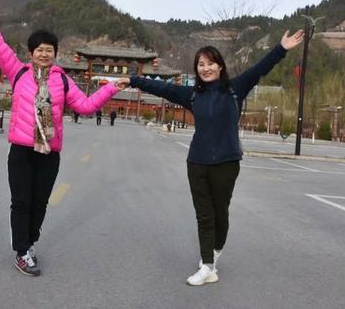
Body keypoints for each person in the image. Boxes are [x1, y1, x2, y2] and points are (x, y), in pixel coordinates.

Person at [116, 29, 304, 286]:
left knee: (220, 213)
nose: (205, 68)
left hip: (227, 163)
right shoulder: (193, 94)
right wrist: (134, 81)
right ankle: (207, 265)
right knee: (204, 215)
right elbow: (162, 88)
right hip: (197, 162)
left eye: (210, 63)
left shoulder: (235, 88)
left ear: (220, 66)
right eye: (200, 65)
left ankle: (214, 252)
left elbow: (260, 68)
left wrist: (281, 48)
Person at [0, 0, 120, 277]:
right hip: (21, 150)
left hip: (49, 153)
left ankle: (29, 245)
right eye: (39, 49)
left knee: (39, 202)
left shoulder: (62, 80)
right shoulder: (17, 72)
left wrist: (111, 88)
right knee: (21, 202)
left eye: (49, 50)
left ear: (55, 53)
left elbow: (86, 106)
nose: (44, 54)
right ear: (30, 53)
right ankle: (21, 250)